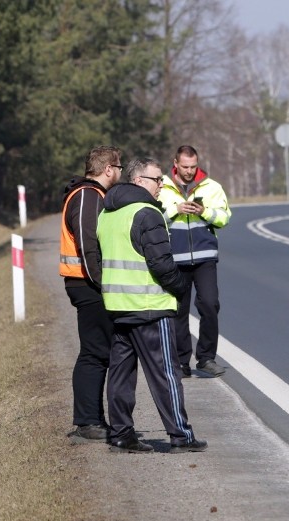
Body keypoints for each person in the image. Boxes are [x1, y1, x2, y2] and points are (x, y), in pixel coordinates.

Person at [96, 157, 207, 454]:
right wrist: (181, 289)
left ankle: (121, 433)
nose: (162, 185)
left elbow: (97, 260)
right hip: (150, 305)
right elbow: (161, 263)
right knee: (165, 373)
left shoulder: (107, 214)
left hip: (119, 307)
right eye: (157, 179)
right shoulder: (147, 213)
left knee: (120, 374)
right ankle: (180, 435)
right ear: (138, 181)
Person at [60, 145, 123, 443]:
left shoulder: (92, 195)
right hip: (87, 285)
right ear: (108, 168)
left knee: (97, 352)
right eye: (119, 167)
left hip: (88, 283)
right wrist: (103, 283)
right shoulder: (87, 195)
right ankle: (87, 422)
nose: (121, 173)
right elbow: (88, 246)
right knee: (95, 353)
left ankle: (93, 419)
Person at [160, 145, 231, 378]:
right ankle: (181, 362)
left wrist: (204, 211)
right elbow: (151, 218)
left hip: (205, 258)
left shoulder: (212, 187)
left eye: (193, 166)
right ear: (176, 163)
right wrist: (175, 209)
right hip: (175, 259)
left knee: (210, 305)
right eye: (185, 167)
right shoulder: (162, 186)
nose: (190, 171)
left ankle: (206, 358)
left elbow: (224, 218)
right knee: (179, 312)